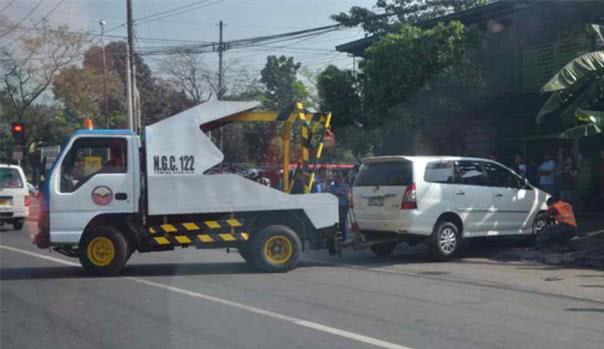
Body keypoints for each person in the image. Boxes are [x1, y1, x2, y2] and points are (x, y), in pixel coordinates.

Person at [328, 172, 350, 241]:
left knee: (342, 222)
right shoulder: (332, 186)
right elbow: (330, 193)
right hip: (334, 207)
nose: (334, 179)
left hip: (343, 206)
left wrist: (340, 193)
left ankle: (343, 238)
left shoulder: (345, 186)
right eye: (333, 178)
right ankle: (336, 238)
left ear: (339, 178)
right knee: (335, 223)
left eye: (335, 178)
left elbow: (347, 194)